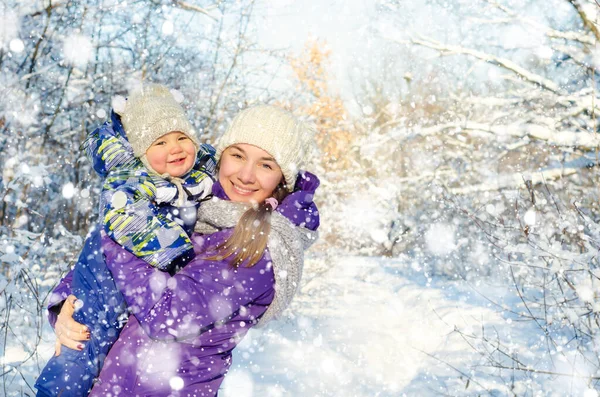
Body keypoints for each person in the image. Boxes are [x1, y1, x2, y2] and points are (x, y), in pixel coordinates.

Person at [48, 104, 320, 396]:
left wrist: (119, 233)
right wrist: (68, 310)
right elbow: (98, 272)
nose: (246, 175)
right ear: (221, 157)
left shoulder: (262, 245)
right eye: (237, 156)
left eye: (265, 165)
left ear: (283, 180)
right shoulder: (190, 208)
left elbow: (168, 315)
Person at [35, 84, 215, 397]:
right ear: (141, 151)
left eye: (182, 137)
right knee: (82, 349)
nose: (175, 148)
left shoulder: (193, 179)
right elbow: (129, 221)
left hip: (126, 292)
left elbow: (224, 166)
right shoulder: (129, 179)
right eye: (160, 141)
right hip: (102, 286)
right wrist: (178, 256)